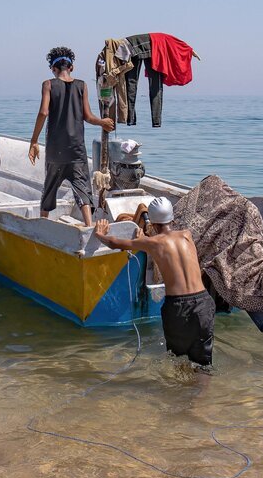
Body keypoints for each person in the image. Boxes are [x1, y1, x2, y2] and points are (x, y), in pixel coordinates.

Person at [93, 196, 215, 368]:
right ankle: (203, 393)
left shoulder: (152, 243)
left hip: (178, 307)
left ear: (153, 224)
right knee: (203, 364)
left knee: (178, 360)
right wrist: (145, 240)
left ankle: (180, 393)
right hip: (203, 302)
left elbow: (115, 243)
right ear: (172, 219)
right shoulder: (187, 235)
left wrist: (99, 233)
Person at [28, 46, 115, 226]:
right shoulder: (82, 85)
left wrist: (34, 140)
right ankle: (89, 225)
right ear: (71, 67)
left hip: (55, 150)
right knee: (82, 188)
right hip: (76, 149)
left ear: (53, 69)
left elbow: (44, 112)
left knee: (50, 187)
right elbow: (88, 117)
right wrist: (103, 122)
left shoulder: (48, 84)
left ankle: (42, 224)